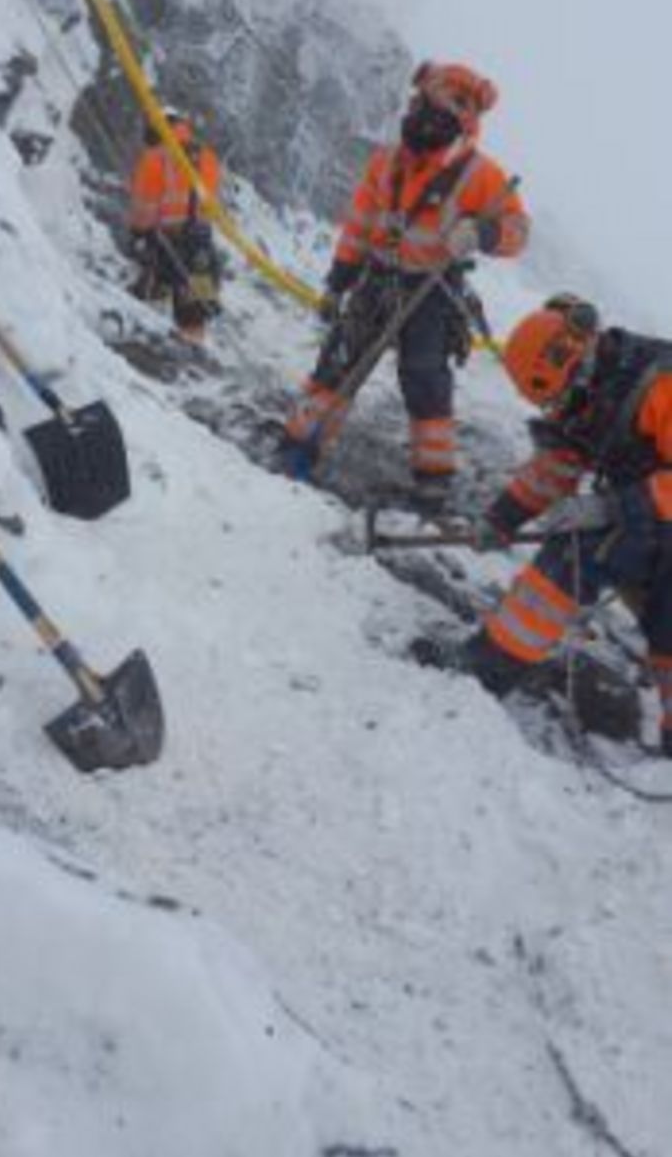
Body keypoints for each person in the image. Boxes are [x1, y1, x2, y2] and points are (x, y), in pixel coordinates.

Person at [281, 62, 530, 502]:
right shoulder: (386, 162)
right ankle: (299, 447)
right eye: (423, 104)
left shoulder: (480, 175)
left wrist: (484, 233)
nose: (423, 115)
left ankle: (433, 479)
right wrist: (340, 280)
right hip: (378, 277)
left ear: (464, 119)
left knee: (425, 381)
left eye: (439, 107)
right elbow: (359, 225)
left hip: (431, 289)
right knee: (337, 364)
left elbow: (519, 231)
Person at [458, 295, 672, 756]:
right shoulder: (590, 393)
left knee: (576, 551)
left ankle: (487, 670)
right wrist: (501, 519)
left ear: (580, 354)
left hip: (657, 515)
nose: (563, 408)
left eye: (565, 395)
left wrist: (612, 508)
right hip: (657, 517)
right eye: (555, 402)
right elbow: (557, 466)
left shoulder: (658, 384)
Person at [128, 108, 222, 344]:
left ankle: (147, 343)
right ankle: (194, 347)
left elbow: (145, 207)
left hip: (168, 239)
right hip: (202, 241)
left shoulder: (156, 158)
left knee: (149, 290)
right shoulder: (207, 157)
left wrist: (138, 234)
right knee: (196, 306)